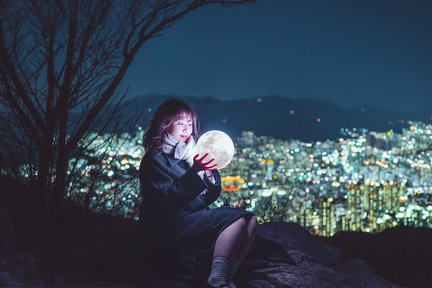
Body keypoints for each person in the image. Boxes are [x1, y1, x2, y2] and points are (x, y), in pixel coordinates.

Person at [139, 98, 256, 288]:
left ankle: (225, 275)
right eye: (180, 123)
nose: (186, 128)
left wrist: (208, 173)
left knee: (250, 220)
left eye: (190, 123)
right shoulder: (156, 158)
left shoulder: (191, 152)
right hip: (171, 223)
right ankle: (216, 279)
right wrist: (194, 172)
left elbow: (208, 196)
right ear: (165, 124)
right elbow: (166, 203)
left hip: (192, 216)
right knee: (236, 219)